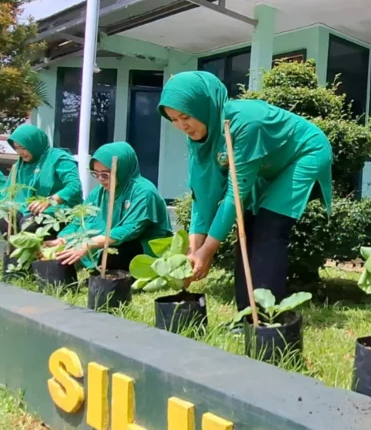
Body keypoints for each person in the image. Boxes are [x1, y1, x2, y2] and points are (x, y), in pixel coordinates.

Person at [157, 71, 333, 311]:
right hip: (267, 164)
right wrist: (194, 250)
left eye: (185, 116)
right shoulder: (199, 136)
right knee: (246, 226)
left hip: (304, 153)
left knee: (270, 226)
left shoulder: (245, 124)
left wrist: (208, 251)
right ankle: (245, 313)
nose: (181, 126)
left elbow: (234, 196)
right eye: (173, 120)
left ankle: (267, 313)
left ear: (203, 106)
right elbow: (203, 192)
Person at [47, 142, 171, 270]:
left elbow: (130, 229)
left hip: (145, 243)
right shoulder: (98, 192)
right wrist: (61, 241)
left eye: (105, 174)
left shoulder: (144, 192)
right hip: (110, 241)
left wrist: (87, 245)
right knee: (67, 253)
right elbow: (79, 220)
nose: (100, 179)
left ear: (122, 169)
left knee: (110, 257)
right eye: (96, 173)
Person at [3, 124, 82, 218]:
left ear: (34, 144)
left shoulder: (58, 159)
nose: (20, 153)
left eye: (23, 148)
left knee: (30, 223)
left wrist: (50, 201)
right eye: (16, 148)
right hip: (25, 208)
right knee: (3, 220)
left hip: (58, 209)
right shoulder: (19, 165)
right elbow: (7, 194)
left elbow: (74, 187)